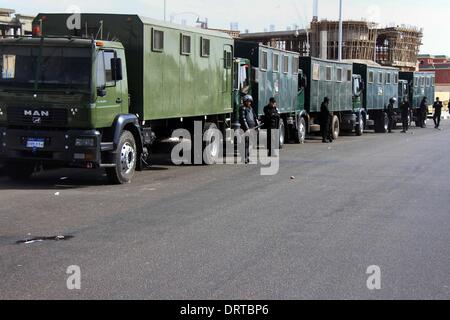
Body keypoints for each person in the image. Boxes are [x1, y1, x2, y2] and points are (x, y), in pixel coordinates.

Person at [239, 95, 259, 163]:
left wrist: (257, 126)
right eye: (247, 101)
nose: (249, 103)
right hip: (246, 129)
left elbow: (255, 118)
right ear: (245, 102)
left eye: (250, 101)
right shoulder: (243, 109)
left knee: (251, 144)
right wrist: (247, 129)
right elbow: (243, 119)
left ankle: (248, 157)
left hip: (252, 128)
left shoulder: (251, 109)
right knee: (245, 144)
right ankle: (244, 158)